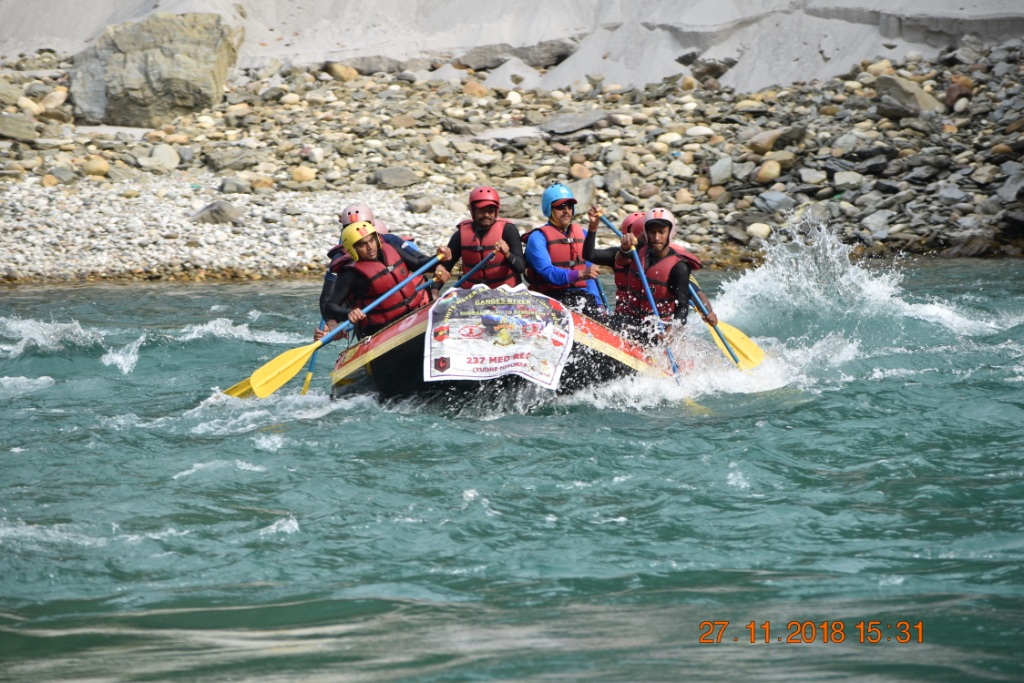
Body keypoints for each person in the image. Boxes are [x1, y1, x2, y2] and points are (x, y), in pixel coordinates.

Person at [318, 221, 451, 339]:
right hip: (379, 329)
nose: (370, 247)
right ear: (352, 249)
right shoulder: (350, 274)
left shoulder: (391, 249)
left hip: (411, 315)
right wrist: (348, 313)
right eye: (362, 245)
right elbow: (330, 306)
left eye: (371, 240)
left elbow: (417, 263)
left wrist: (438, 258)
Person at [611, 207, 719, 344]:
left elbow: (693, 294)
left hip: (659, 326)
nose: (656, 238)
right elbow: (607, 258)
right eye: (651, 233)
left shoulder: (676, 265)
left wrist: (708, 312)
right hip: (632, 320)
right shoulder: (636, 254)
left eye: (661, 232)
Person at [316, 204, 423, 338]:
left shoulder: (390, 241)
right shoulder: (343, 262)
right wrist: (332, 323)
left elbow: (420, 262)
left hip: (410, 311)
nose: (358, 230)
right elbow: (329, 297)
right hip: (375, 323)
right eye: (349, 227)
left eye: (371, 239)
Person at [523, 183, 604, 316]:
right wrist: (580, 274)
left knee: (600, 316)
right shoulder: (537, 238)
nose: (566, 211)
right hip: (547, 300)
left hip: (580, 298)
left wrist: (599, 306)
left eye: (569, 206)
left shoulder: (582, 234)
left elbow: (591, 277)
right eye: (560, 207)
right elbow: (547, 272)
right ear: (549, 209)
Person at [439, 186, 526, 288]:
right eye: (481, 210)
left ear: (496, 211)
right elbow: (444, 268)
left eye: (490, 210)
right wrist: (435, 292)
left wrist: (507, 254)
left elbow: (521, 268)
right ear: (472, 211)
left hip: (504, 292)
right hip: (471, 293)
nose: (486, 215)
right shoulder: (460, 235)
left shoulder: (508, 230)